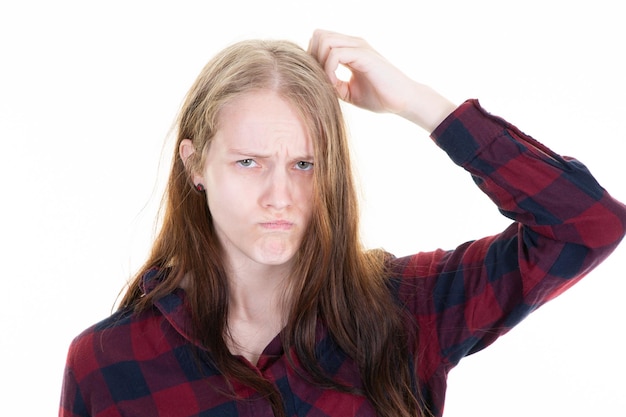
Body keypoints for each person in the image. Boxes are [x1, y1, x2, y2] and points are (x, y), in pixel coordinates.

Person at [59, 30, 626, 417]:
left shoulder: (406, 311)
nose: (279, 196)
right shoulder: (107, 363)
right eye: (248, 162)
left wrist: (419, 103)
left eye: (305, 164)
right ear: (195, 165)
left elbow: (587, 225)